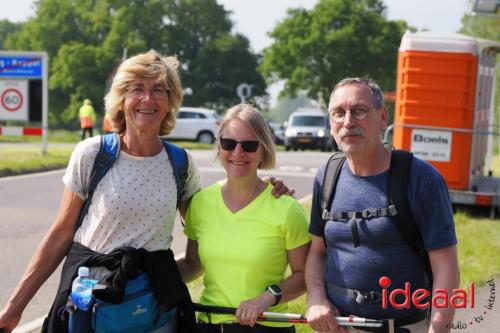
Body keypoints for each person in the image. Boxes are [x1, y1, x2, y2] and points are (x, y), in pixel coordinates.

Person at [0, 50, 291, 333]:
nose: (148, 99)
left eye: (159, 90)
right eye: (137, 89)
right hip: (93, 307)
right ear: (121, 98)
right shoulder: (93, 154)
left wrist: (261, 191)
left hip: (155, 313)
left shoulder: (180, 163)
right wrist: (15, 307)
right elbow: (60, 235)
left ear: (170, 101)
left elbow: (211, 228)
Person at [305, 78, 459, 333]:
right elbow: (317, 252)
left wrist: (438, 328)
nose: (348, 122)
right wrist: (316, 298)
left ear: (383, 116)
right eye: (338, 113)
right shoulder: (327, 176)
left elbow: (446, 266)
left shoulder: (421, 178)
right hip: (338, 327)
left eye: (359, 111)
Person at [177, 104, 311, 333]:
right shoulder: (200, 204)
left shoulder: (287, 209)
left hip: (266, 328)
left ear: (264, 151)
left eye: (249, 145)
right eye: (228, 143)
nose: (238, 153)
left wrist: (267, 298)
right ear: (219, 147)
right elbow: (192, 264)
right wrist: (147, 279)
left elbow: (305, 276)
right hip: (209, 326)